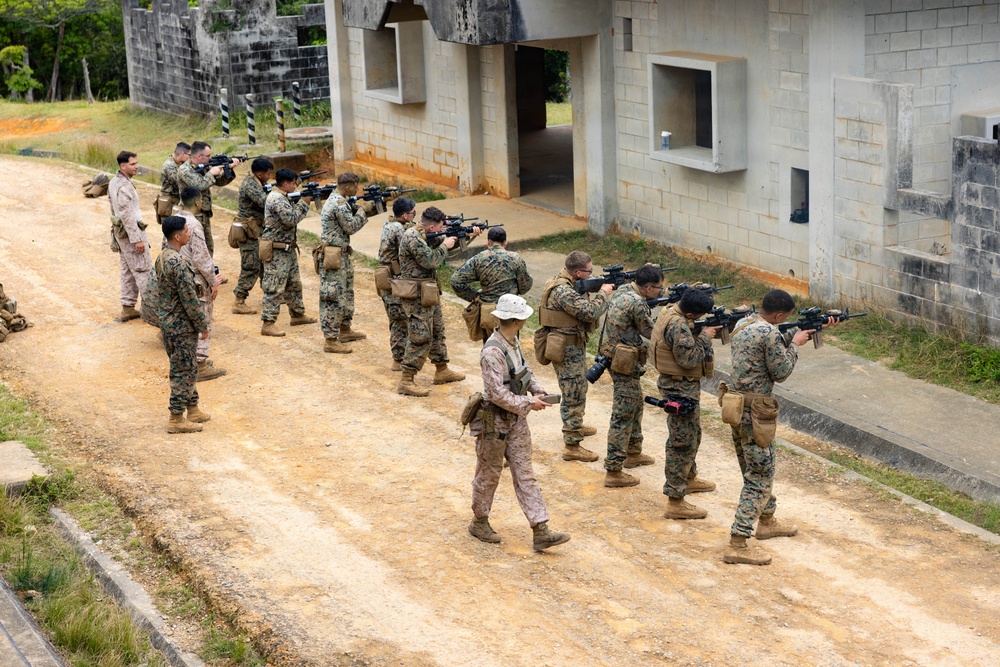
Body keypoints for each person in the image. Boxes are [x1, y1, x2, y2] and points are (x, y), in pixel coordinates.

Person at [722, 289, 834, 566]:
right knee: (760, 474)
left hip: (736, 406)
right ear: (780, 315)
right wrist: (795, 344)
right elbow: (781, 371)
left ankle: (767, 520)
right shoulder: (770, 334)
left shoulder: (744, 323)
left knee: (753, 467)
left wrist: (796, 333)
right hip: (756, 412)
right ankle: (738, 541)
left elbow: (762, 351)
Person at [468, 294, 571, 552]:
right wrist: (529, 403)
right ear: (517, 319)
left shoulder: (512, 342)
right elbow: (496, 394)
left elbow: (524, 371)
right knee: (489, 473)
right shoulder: (492, 351)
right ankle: (479, 521)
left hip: (515, 420)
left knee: (525, 474)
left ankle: (541, 530)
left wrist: (536, 389)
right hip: (495, 423)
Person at [650, 288, 720, 519]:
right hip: (679, 389)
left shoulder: (670, 311)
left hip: (680, 386)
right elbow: (688, 359)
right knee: (681, 443)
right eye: (698, 317)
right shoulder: (678, 325)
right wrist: (704, 337)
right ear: (690, 314)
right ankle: (675, 500)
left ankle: (689, 478)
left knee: (693, 435)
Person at [538, 251, 613, 461]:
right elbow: (589, 312)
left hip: (572, 345)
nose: (591, 274)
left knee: (579, 386)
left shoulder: (561, 281)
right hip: (566, 348)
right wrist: (604, 294)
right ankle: (572, 445)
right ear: (578, 272)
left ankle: (576, 426)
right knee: (573, 392)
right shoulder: (563, 290)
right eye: (589, 271)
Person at [600, 264, 664, 488]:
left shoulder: (625, 290)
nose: (660, 290)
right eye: (658, 288)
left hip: (616, 354)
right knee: (624, 414)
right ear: (647, 288)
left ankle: (633, 452)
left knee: (636, 403)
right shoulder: (637, 303)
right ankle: (613, 470)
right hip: (624, 360)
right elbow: (651, 332)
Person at [396, 206, 464, 396]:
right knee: (420, 336)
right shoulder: (412, 237)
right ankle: (406, 380)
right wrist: (445, 245)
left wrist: (462, 236)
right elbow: (431, 261)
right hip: (416, 294)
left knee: (437, 330)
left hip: (428, 291)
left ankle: (441, 369)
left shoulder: (424, 234)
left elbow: (440, 245)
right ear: (432, 227)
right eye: (441, 227)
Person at [155, 216, 210, 434]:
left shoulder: (163, 256)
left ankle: (193, 409)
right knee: (183, 370)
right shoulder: (177, 263)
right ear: (177, 237)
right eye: (187, 231)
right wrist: (201, 324)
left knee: (188, 367)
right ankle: (176, 418)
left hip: (169, 322)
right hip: (181, 326)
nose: (189, 234)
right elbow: (189, 298)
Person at [176, 186, 226, 382]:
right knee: (202, 318)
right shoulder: (194, 226)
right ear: (198, 202)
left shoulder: (177, 220)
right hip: (196, 279)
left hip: (182, 276)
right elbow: (202, 258)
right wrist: (213, 281)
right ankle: (200, 364)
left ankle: (191, 360)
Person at [259, 168, 317, 336]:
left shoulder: (282, 194)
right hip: (277, 250)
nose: (295, 186)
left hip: (286, 248)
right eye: (293, 183)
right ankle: (268, 323)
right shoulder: (277, 198)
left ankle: (297, 314)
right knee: (275, 287)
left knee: (294, 284)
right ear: (285, 184)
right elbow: (291, 220)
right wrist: (305, 202)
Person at [450, 227, 533, 343]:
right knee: (511, 347)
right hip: (511, 312)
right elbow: (525, 286)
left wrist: (474, 296)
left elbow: (456, 280)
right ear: (505, 243)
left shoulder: (479, 258)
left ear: (488, 243)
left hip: (488, 312)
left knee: (490, 347)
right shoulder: (515, 259)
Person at [319, 173, 370, 353]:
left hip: (341, 254)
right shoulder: (339, 203)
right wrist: (364, 211)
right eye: (356, 186)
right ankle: (331, 340)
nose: (357, 190)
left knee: (346, 293)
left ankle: (344, 329)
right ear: (348, 187)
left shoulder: (340, 200)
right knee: (333, 296)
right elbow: (351, 227)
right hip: (334, 256)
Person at [108, 150, 152, 323]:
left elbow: (114, 211)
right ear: (123, 166)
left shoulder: (114, 182)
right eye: (132, 164)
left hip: (121, 233)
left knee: (127, 270)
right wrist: (137, 240)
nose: (136, 166)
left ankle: (128, 308)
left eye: (136, 163)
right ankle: (152, 312)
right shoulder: (124, 186)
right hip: (131, 234)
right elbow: (127, 215)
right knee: (143, 271)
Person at [177, 140, 240, 258]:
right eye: (208, 156)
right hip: (191, 214)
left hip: (204, 213)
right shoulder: (185, 170)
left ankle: (210, 274)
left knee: (207, 247)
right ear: (199, 156)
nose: (210, 158)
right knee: (195, 248)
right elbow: (199, 185)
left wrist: (229, 168)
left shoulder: (205, 166)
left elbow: (219, 182)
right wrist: (211, 173)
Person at [377, 197, 417, 370]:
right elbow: (411, 248)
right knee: (399, 319)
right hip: (394, 279)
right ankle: (398, 358)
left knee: (397, 319)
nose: (415, 215)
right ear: (405, 215)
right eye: (413, 213)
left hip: (387, 277)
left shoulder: (390, 225)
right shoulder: (398, 230)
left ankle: (400, 356)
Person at [232, 158, 273, 314]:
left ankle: (269, 294)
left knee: (263, 262)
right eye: (268, 174)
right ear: (260, 173)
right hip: (249, 232)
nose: (270, 176)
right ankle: (239, 300)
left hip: (256, 230)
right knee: (251, 266)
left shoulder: (257, 182)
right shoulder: (250, 185)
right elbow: (266, 202)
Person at [157, 142, 191, 224]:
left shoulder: (179, 164)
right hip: (169, 204)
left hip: (176, 202)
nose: (190, 158)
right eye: (189, 155)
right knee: (170, 232)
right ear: (182, 154)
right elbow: (180, 182)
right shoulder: (170, 166)